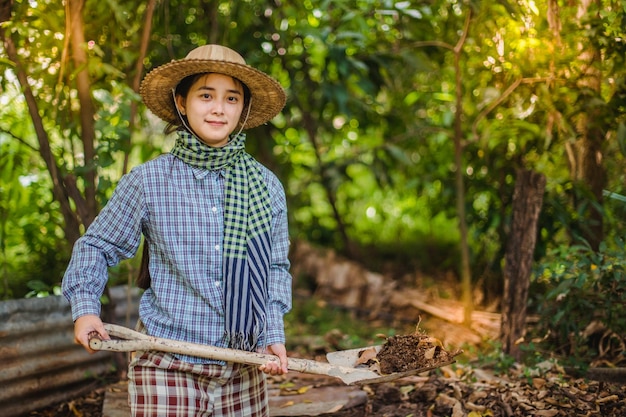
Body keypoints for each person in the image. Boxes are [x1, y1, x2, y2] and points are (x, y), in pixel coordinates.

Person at [62, 44, 292, 416]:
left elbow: (275, 269)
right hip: (166, 361)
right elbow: (97, 245)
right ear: (182, 102)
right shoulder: (148, 181)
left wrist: (271, 337)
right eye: (206, 95)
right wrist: (86, 308)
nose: (219, 108)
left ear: (243, 108)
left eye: (231, 98)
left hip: (243, 365)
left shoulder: (265, 186)